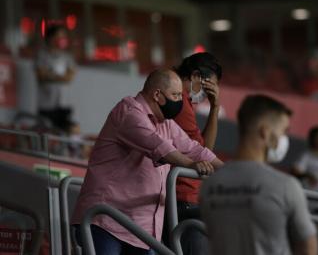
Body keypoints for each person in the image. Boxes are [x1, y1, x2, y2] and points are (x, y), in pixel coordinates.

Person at [72, 69, 223, 255]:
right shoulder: (129, 111)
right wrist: (190, 165)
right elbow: (157, 146)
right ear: (158, 95)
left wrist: (227, 171)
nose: (180, 101)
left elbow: (194, 148)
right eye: (175, 95)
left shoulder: (165, 123)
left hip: (141, 230)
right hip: (106, 221)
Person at [200, 95, 318, 255]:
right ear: (265, 132)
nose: (284, 139)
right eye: (283, 131)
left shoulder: (209, 186)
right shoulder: (285, 186)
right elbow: (308, 248)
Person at [170, 52, 222, 255]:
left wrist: (215, 107)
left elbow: (203, 149)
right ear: (195, 76)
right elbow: (204, 152)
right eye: (209, 87)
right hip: (182, 197)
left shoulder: (185, 103)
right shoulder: (180, 103)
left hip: (184, 196)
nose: (208, 94)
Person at [35, 25, 76, 132]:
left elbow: (69, 77)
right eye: (59, 36)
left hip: (64, 103)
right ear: (50, 38)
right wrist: (60, 77)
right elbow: (41, 74)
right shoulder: (42, 55)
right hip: (47, 104)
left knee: (68, 131)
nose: (62, 39)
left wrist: (51, 74)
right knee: (46, 132)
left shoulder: (67, 56)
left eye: (63, 36)